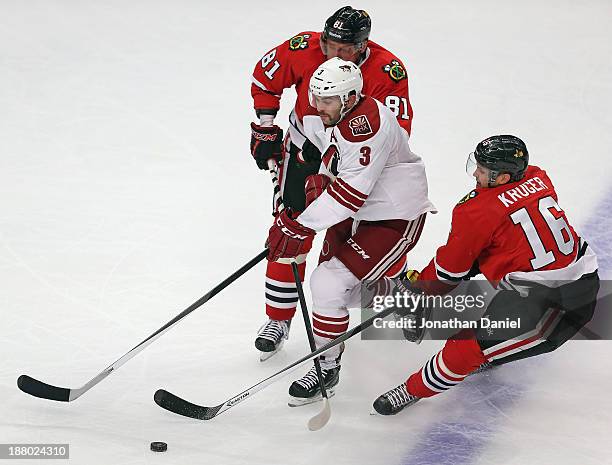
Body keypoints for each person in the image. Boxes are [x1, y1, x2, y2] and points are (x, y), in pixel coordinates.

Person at [372, 135, 600, 415]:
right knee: (487, 330)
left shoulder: (477, 210)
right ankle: (491, 351)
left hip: (549, 307)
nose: (476, 173)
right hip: (585, 279)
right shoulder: (538, 177)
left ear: (504, 177)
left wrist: (419, 289)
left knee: (463, 348)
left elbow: (449, 271)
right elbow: (499, 242)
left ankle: (411, 390)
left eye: (483, 170)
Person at [266, 57, 436, 405]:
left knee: (327, 282)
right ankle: (405, 297)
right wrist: (315, 187)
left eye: (326, 100)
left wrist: (300, 224)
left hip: (394, 216)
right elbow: (339, 171)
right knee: (331, 291)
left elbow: (349, 194)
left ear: (349, 97)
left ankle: (327, 367)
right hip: (362, 210)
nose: (317, 106)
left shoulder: (366, 126)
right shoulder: (343, 113)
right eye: (315, 98)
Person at [250, 6, 415, 359]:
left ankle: (396, 285)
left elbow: (392, 137)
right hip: (305, 152)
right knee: (289, 232)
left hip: (359, 164)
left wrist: (340, 170)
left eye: (345, 49)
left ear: (362, 46)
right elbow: (266, 78)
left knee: (363, 237)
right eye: (329, 45)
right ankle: (278, 319)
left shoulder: (388, 71)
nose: (333, 55)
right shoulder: (304, 48)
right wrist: (266, 126)